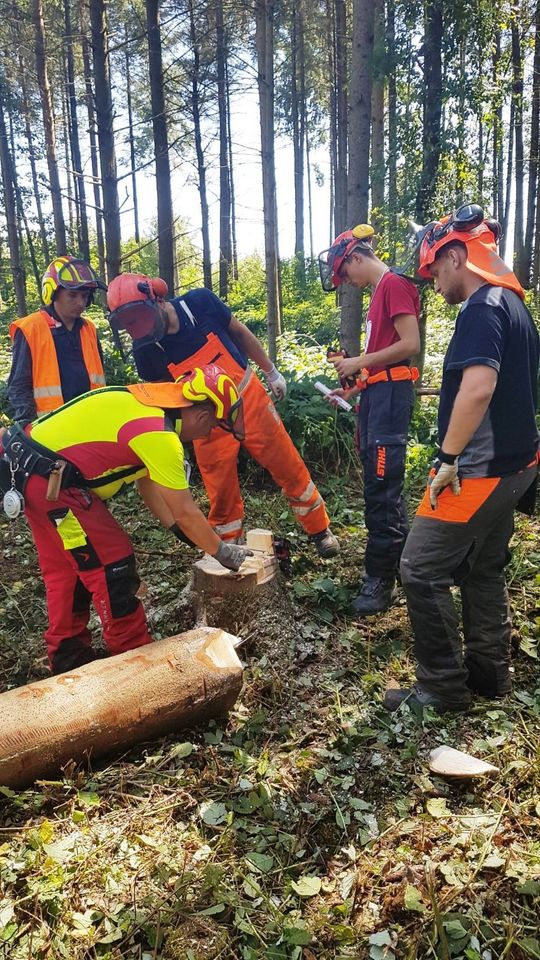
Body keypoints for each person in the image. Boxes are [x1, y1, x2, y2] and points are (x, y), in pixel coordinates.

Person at [383, 203, 539, 714]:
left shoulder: (482, 306)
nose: (431, 283)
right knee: (483, 569)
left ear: (455, 256)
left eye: (432, 271)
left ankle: (442, 688)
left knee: (420, 567)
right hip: (518, 466)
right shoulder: (516, 306)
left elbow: (478, 388)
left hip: (480, 468)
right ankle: (489, 675)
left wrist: (449, 457)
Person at [0, 364, 252, 675]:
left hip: (30, 470)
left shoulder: (147, 404)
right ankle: (133, 659)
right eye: (212, 426)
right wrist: (223, 552)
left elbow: (149, 485)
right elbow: (187, 510)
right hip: (52, 482)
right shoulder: (160, 436)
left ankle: (68, 658)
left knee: (67, 568)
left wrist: (177, 529)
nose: (206, 433)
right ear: (201, 416)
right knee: (112, 562)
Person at [106, 275, 340, 559]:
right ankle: (228, 549)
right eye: (131, 325)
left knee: (287, 463)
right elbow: (163, 400)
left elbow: (240, 333)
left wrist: (270, 370)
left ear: (157, 299)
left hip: (247, 398)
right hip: (205, 423)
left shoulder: (199, 303)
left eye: (142, 320)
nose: (140, 330)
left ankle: (319, 530)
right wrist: (173, 443)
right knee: (220, 490)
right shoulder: (145, 350)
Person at [318, 224, 420, 614]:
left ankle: (380, 578)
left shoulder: (393, 284)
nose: (347, 281)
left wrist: (359, 361)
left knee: (382, 490)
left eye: (346, 273)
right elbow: (384, 363)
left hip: (391, 403)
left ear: (357, 258)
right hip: (378, 397)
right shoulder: (381, 293)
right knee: (382, 488)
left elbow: (410, 344)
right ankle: (409, 565)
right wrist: (353, 388)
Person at [7, 255, 108, 422]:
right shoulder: (31, 328)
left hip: (91, 419)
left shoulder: (88, 329)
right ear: (53, 294)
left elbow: (99, 377)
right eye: (73, 295)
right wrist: (28, 424)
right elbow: (19, 386)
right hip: (49, 427)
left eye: (84, 296)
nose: (80, 303)